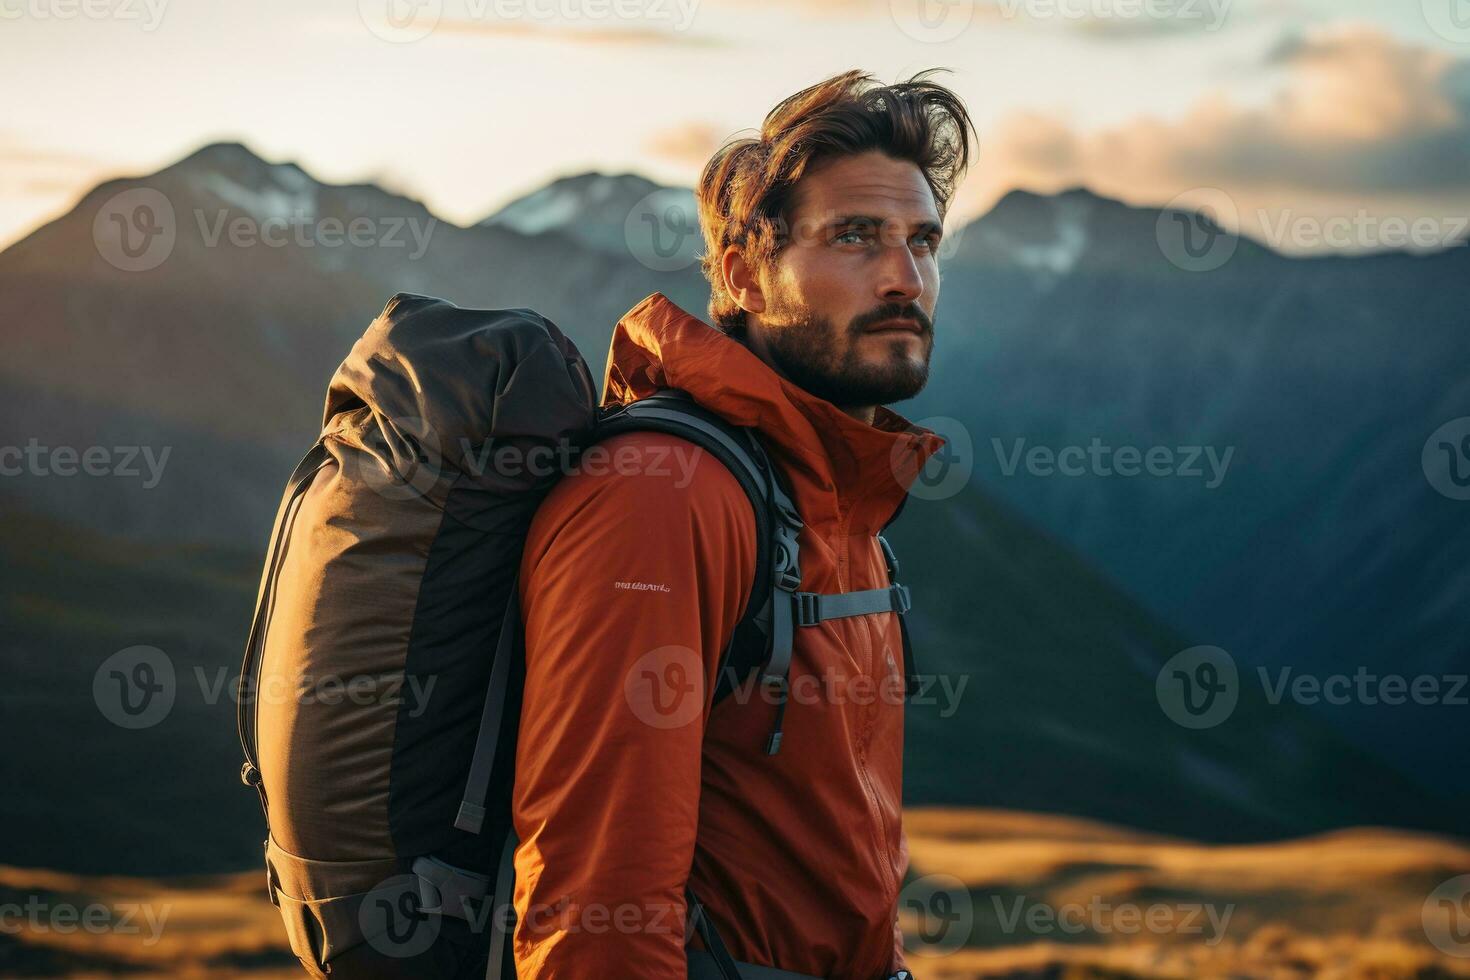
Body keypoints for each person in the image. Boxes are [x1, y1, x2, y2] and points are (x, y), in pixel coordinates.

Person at [509, 68, 974, 979]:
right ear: (743, 278)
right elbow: (593, 901)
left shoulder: (836, 496)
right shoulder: (663, 494)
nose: (905, 278)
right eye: (854, 238)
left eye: (923, 241)